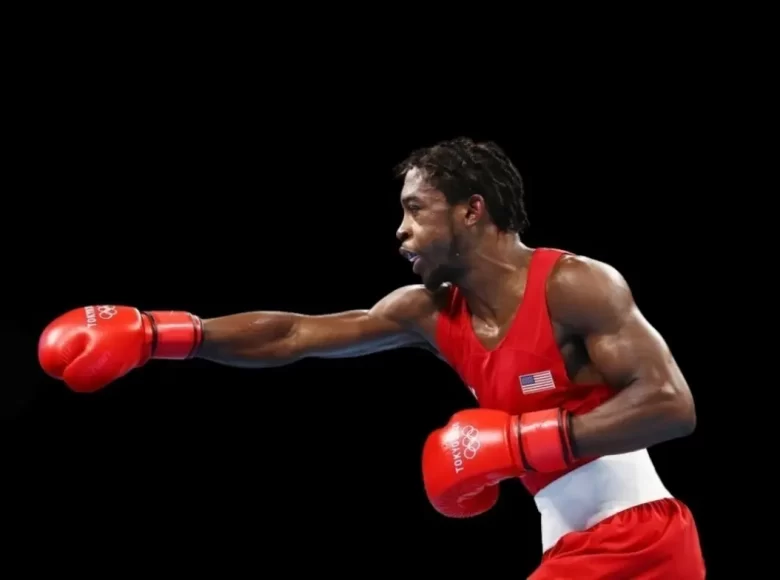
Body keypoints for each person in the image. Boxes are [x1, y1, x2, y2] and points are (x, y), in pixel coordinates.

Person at [38, 137, 705, 578]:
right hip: (570, 543)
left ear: (473, 210)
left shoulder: (573, 284)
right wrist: (164, 334)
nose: (401, 230)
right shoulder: (429, 313)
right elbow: (296, 335)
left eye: (416, 211)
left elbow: (672, 405)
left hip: (640, 540)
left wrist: (519, 445)